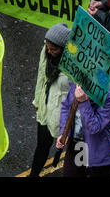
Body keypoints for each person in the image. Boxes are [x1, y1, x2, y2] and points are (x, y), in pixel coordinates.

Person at [28, 23, 71, 177]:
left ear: (64, 48)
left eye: (54, 49)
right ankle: (34, 174)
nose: (50, 52)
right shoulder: (45, 52)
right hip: (46, 109)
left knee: (66, 147)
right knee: (42, 146)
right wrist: (37, 101)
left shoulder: (73, 65)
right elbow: (41, 75)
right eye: (48, 48)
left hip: (63, 112)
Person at [56, 83, 110, 177]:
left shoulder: (109, 96)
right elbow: (66, 107)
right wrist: (64, 132)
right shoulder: (78, 83)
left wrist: (83, 102)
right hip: (76, 147)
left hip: (98, 155)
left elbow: (94, 127)